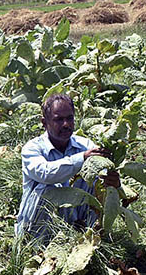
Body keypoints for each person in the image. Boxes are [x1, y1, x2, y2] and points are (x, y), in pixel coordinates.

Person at [15, 94, 120, 242]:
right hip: (38, 228)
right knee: (46, 189)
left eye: (69, 118)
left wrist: (113, 182)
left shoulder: (85, 145)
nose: (66, 124)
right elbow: (45, 173)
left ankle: (90, 237)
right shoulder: (32, 148)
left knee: (96, 181)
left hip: (76, 224)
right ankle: (36, 247)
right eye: (58, 119)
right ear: (44, 123)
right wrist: (81, 158)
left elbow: (104, 179)